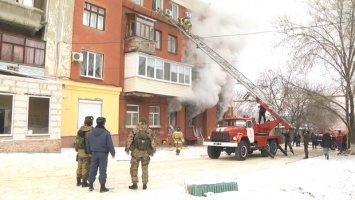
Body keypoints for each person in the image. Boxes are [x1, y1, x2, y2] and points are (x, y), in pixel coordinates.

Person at [125, 117, 156, 190]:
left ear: (139, 122)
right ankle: (144, 184)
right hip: (145, 153)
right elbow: (153, 141)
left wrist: (128, 148)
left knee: (134, 168)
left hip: (136, 152)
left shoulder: (135, 130)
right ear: (145, 123)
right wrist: (153, 150)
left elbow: (129, 139)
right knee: (145, 168)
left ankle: (134, 184)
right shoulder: (149, 130)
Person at [86, 117, 116, 193]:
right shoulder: (106, 133)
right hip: (103, 154)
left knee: (92, 169)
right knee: (102, 170)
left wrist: (89, 152)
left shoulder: (90, 132)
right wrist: (113, 152)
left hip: (94, 154)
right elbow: (109, 144)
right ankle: (102, 187)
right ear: (103, 123)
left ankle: (90, 185)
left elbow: (88, 143)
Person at [75, 116, 94, 187]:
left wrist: (77, 149)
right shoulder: (91, 130)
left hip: (80, 151)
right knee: (85, 166)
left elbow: (76, 140)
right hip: (87, 151)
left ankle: (78, 181)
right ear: (91, 123)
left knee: (79, 165)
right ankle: (84, 182)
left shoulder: (80, 129)